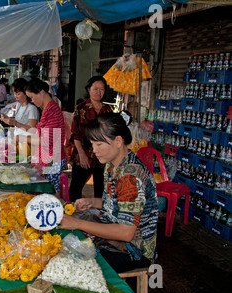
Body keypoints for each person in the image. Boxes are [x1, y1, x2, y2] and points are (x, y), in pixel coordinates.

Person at [59, 112, 159, 273]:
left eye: (99, 144)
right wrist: (91, 201)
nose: (94, 150)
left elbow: (126, 232)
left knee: (72, 267)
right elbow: (113, 204)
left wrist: (77, 223)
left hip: (131, 250)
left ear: (118, 141)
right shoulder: (113, 165)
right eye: (92, 144)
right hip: (110, 231)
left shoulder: (130, 177)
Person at [69, 75, 113, 202]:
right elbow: (75, 134)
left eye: (102, 89)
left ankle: (99, 216)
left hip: (102, 155)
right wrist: (82, 154)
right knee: (76, 188)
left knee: (101, 188)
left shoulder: (107, 109)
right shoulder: (81, 108)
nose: (99, 92)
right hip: (84, 153)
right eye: (95, 89)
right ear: (89, 89)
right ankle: (73, 213)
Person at [24, 78, 66, 195]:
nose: (32, 101)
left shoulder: (52, 110)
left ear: (41, 92)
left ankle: (56, 212)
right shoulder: (47, 108)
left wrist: (23, 139)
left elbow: (46, 141)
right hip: (50, 157)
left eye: (32, 97)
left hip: (53, 159)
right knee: (47, 190)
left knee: (50, 191)